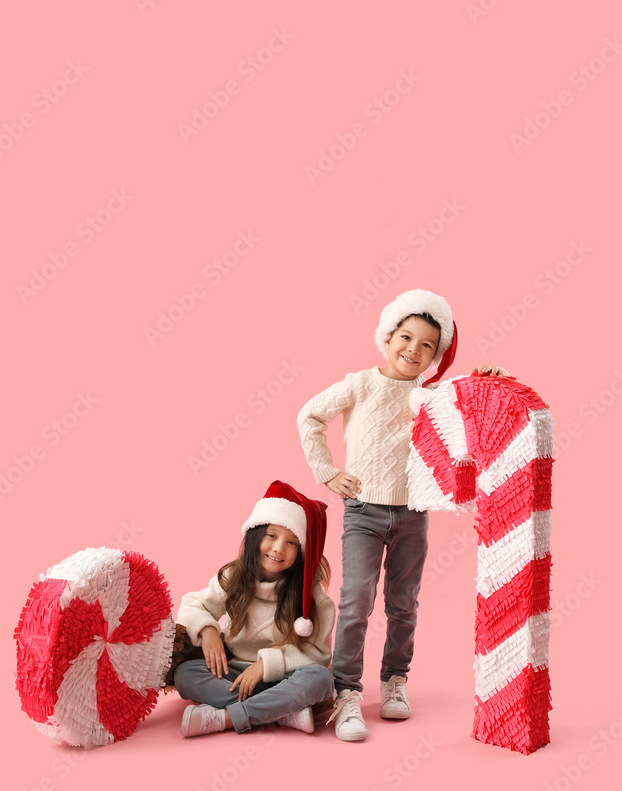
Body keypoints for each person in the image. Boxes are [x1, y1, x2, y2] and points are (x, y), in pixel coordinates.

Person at [298, 288, 506, 741]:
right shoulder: (360, 383)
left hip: (413, 513)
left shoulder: (431, 394)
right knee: (355, 601)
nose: (414, 349)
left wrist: (490, 379)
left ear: (436, 355)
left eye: (427, 345)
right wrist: (327, 472)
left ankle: (395, 680)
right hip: (364, 512)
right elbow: (310, 416)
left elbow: (472, 407)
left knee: (404, 603)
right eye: (406, 337)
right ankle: (346, 690)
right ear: (388, 337)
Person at [174, 480, 335, 736]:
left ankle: (227, 718)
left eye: (292, 543)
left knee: (321, 680)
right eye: (272, 535)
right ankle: (282, 712)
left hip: (287, 677)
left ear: (302, 551)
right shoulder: (232, 578)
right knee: (185, 674)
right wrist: (208, 630)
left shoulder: (312, 598)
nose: (278, 549)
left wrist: (265, 664)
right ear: (256, 535)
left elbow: (318, 654)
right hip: (237, 674)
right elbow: (193, 604)